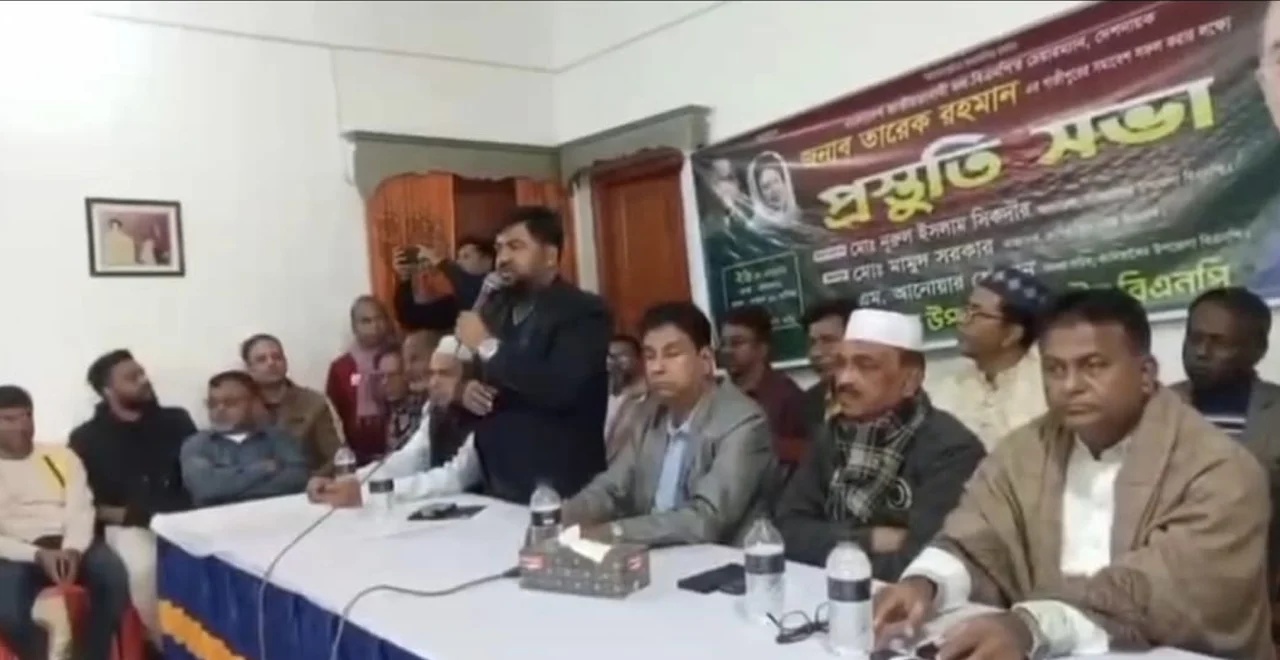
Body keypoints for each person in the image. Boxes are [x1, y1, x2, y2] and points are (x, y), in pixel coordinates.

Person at [875, 289, 1274, 659]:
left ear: (1146, 373)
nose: (1070, 385)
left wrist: (1032, 626)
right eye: (1054, 369)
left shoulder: (1221, 468)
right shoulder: (1023, 451)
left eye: (1093, 366)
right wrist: (925, 583)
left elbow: (1166, 591)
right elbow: (976, 539)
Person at [775, 308, 984, 579]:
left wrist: (827, 544)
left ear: (910, 381)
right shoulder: (830, 436)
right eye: (840, 364)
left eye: (866, 365)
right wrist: (868, 539)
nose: (844, 379)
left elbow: (922, 564)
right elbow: (787, 533)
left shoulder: (951, 449)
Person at [562, 302, 775, 546]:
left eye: (672, 354)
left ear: (706, 360)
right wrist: (565, 515)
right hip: (653, 550)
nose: (657, 368)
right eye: (649, 355)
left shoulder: (743, 421)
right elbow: (611, 488)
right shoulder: (648, 413)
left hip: (719, 559)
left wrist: (615, 532)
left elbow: (705, 520)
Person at [453, 206, 611, 503]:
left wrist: (487, 345)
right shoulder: (495, 309)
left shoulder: (583, 311)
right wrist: (465, 391)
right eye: (499, 248)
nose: (503, 258)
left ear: (550, 255)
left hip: (557, 488)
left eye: (516, 246)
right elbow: (481, 376)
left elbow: (561, 387)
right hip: (497, 484)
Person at [68, 349, 196, 646]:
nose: (143, 380)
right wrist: (131, 515)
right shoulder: (87, 438)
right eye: (131, 377)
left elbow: (196, 475)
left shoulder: (176, 420)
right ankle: (169, 647)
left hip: (184, 517)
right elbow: (87, 502)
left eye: (142, 373)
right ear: (107, 390)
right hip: (129, 525)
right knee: (143, 570)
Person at [0, 385, 130, 660]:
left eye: (27, 416)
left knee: (113, 579)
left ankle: (91, 655)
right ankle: (46, 653)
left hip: (71, 540)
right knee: (8, 611)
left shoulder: (62, 456)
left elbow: (81, 509)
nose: (22, 426)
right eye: (9, 419)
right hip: (17, 550)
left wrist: (73, 549)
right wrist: (37, 555)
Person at [1171, 287, 1280, 591]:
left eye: (1218, 342)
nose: (1201, 352)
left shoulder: (1275, 412)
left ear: (1257, 349)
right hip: (1168, 586)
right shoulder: (1154, 406)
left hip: (1256, 588)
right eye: (1194, 338)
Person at [309, 336, 482, 506]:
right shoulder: (435, 408)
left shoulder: (481, 411)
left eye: (445, 374)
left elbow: (456, 477)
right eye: (432, 373)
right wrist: (348, 482)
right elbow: (411, 457)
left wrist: (370, 492)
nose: (435, 382)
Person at [932, 266, 1051, 449]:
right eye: (966, 309)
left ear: (1012, 334)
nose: (962, 320)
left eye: (976, 314)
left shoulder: (1048, 388)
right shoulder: (948, 388)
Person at [180, 371, 309, 507]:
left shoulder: (278, 438)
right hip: (218, 518)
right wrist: (263, 468)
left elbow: (297, 480)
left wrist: (227, 489)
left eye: (230, 403)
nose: (220, 409)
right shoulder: (197, 444)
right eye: (213, 404)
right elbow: (205, 488)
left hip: (276, 513)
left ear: (254, 403)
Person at [241, 334, 344, 475]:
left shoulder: (313, 403)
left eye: (277, 357)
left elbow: (337, 456)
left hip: (307, 483)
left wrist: (314, 480)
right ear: (249, 368)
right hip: (257, 485)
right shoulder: (241, 408)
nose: (271, 363)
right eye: (261, 360)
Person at [719, 304, 808, 467]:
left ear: (762, 349)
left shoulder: (787, 397)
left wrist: (758, 445)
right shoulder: (716, 395)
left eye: (737, 343)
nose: (727, 350)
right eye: (724, 343)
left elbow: (806, 454)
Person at [325, 295, 396, 465]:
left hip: (398, 446)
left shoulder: (399, 358)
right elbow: (333, 413)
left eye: (379, 319)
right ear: (354, 327)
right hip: (355, 452)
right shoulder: (341, 367)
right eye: (366, 321)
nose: (375, 326)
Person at [394, 236, 495, 333]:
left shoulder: (458, 278)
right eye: (419, 283)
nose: (423, 273)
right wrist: (437, 260)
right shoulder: (474, 304)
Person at [798, 298, 858, 435]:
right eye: (812, 342)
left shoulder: (883, 396)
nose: (816, 352)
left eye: (828, 340)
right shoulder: (807, 402)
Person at [373, 347, 426, 452]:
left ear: (406, 374)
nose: (385, 382)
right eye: (381, 376)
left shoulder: (422, 409)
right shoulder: (387, 411)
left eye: (392, 375)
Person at [604, 334, 647, 464]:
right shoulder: (595, 397)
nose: (615, 362)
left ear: (640, 359)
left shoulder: (650, 400)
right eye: (610, 356)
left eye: (623, 355)